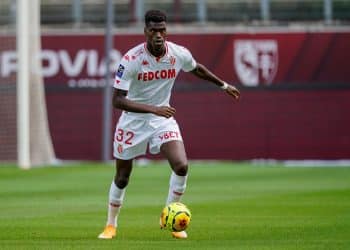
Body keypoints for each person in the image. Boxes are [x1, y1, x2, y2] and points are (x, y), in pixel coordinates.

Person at [98, 9, 240, 240]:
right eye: (153, 30)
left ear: (166, 30)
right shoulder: (131, 60)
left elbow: (197, 68)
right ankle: (110, 225)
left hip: (162, 120)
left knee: (182, 166)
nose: (158, 35)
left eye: (162, 30)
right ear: (145, 31)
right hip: (133, 123)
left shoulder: (177, 53)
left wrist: (223, 85)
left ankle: (170, 217)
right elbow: (117, 100)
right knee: (123, 176)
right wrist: (154, 108)